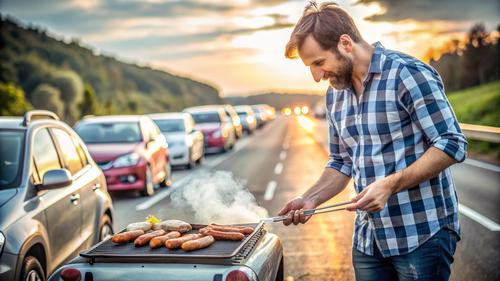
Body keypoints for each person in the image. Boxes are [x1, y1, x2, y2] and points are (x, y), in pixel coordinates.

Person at [278, 2, 467, 280]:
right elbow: (342, 162)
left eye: (319, 63)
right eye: (310, 67)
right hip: (369, 240)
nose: (317, 76)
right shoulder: (335, 95)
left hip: (422, 234)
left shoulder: (407, 74)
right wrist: (310, 199)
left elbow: (452, 143)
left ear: (345, 43)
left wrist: (391, 184)